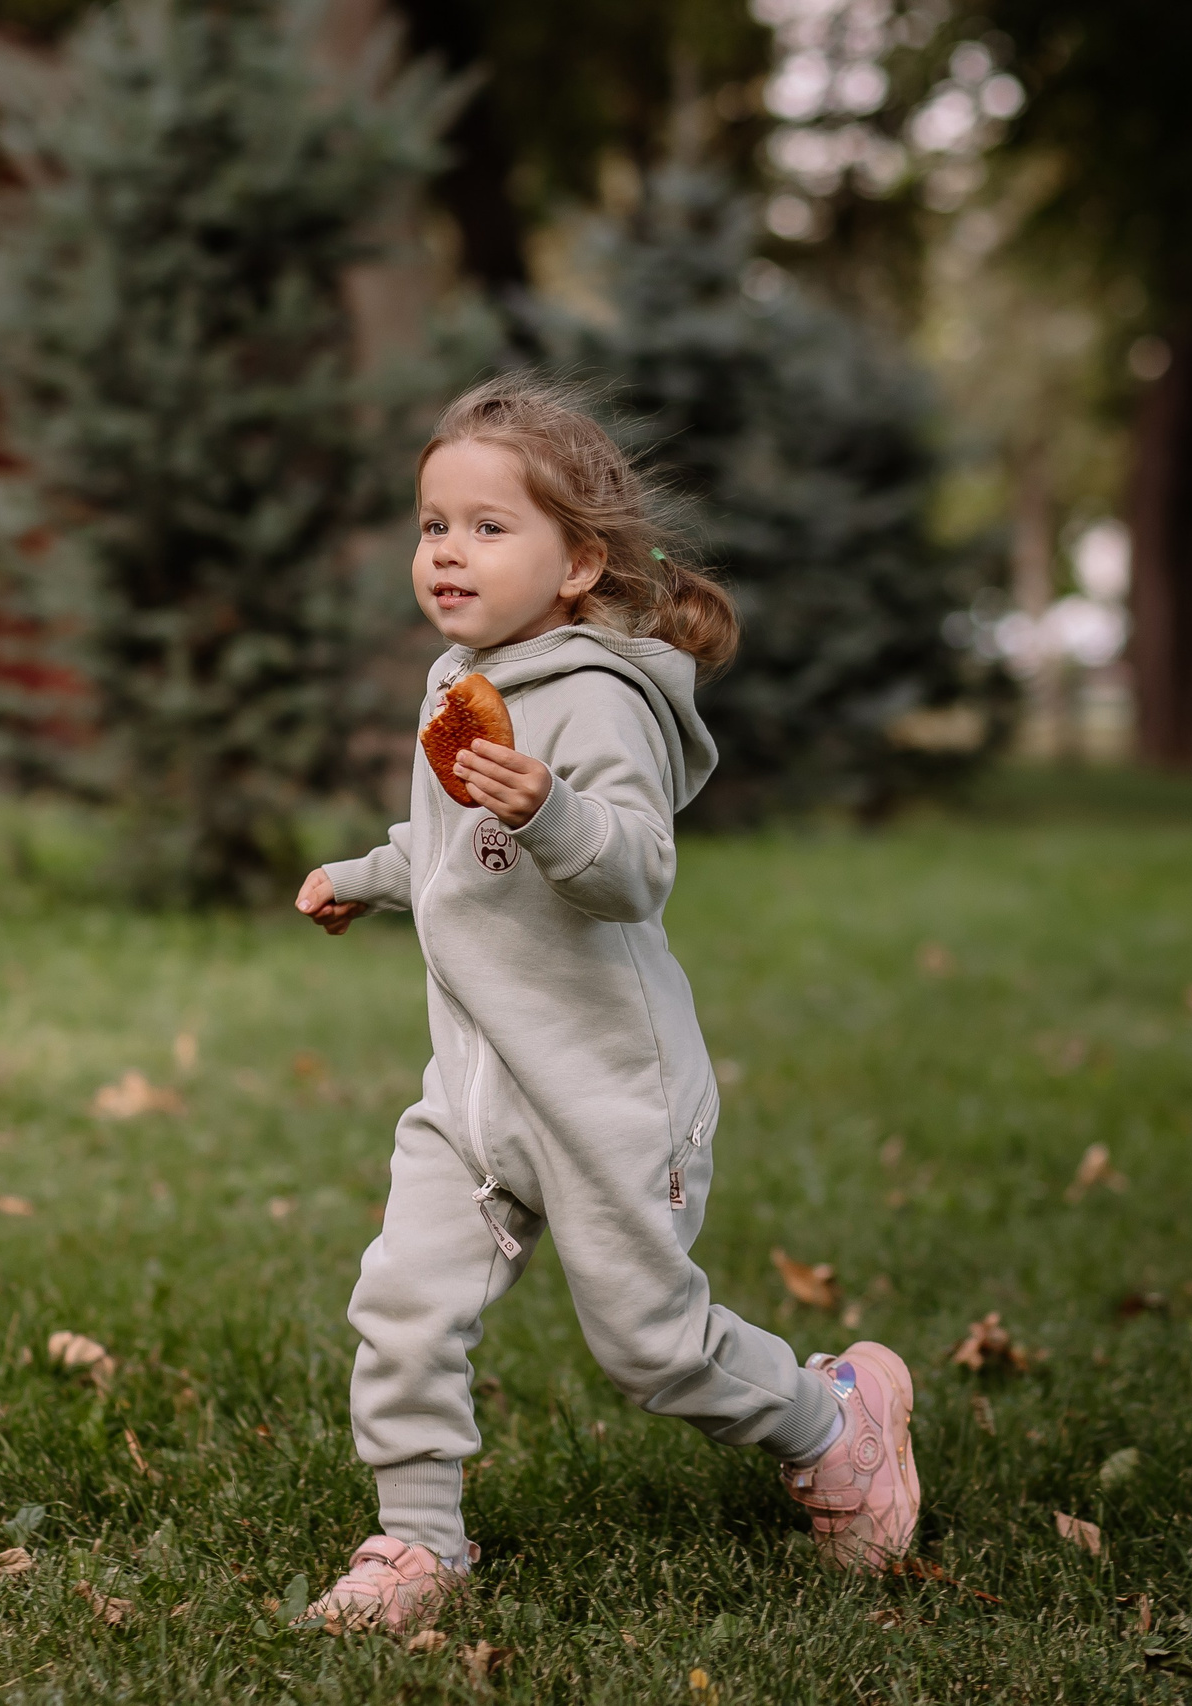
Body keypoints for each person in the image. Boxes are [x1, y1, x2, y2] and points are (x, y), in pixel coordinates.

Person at [291, 379, 921, 1631]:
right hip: (477, 1093)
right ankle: (417, 1543)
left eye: (485, 527)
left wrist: (550, 809)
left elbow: (633, 867)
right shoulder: (456, 678)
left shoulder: (600, 698)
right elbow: (451, 847)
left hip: (605, 1092)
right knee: (402, 1303)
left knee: (653, 1346)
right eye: (431, 525)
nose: (447, 553)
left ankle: (835, 1417)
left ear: (579, 560)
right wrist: (367, 875)